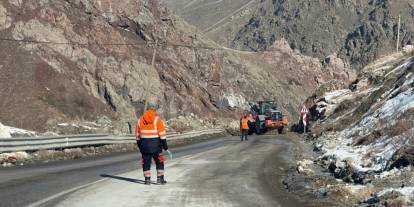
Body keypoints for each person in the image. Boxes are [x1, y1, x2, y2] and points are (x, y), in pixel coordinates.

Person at [135, 104, 168, 185]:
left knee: (146, 162)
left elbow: (137, 135)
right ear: (154, 111)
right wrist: (165, 146)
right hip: (156, 146)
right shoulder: (157, 120)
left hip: (144, 146)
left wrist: (140, 146)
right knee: (159, 161)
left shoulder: (140, 120)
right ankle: (160, 179)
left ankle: (147, 179)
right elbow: (162, 134)